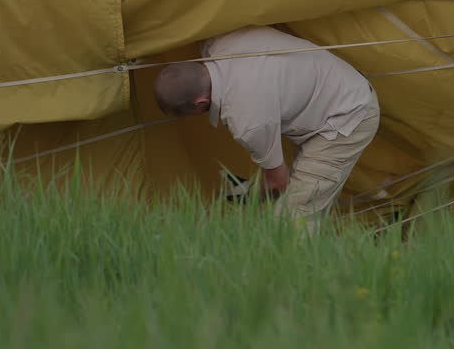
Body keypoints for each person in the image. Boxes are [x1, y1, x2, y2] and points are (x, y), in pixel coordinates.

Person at [154, 25, 380, 224]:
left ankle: (297, 269)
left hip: (347, 117)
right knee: (302, 196)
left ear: (200, 102)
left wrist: (244, 196)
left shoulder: (246, 121)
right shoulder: (220, 39)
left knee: (292, 217)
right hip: (335, 88)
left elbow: (278, 183)